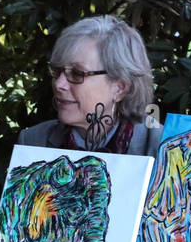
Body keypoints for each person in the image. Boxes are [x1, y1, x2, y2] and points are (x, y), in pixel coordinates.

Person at [18, 15, 162, 156]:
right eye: (57, 71)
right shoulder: (32, 141)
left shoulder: (161, 147)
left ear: (119, 88)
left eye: (77, 73)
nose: (59, 84)